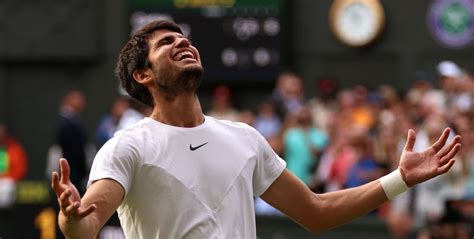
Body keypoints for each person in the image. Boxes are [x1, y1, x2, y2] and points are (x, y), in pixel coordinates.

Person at [51, 20, 462, 239]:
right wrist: (71, 220)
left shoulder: (245, 138)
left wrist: (399, 179)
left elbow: (316, 213)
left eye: (183, 38)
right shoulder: (127, 148)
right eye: (165, 44)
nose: (182, 43)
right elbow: (87, 226)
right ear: (142, 75)